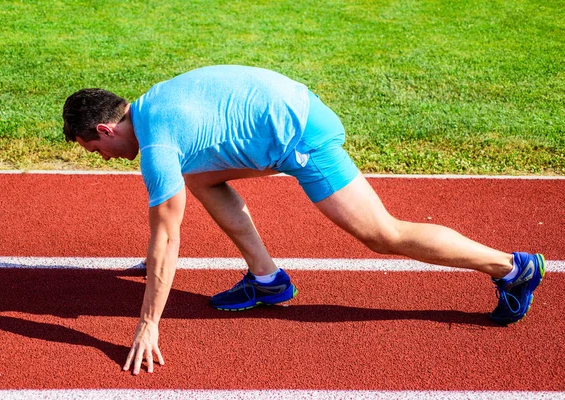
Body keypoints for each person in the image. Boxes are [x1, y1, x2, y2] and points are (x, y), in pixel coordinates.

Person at [62, 65, 545, 375]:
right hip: (283, 114)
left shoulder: (158, 146)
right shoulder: (152, 105)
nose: (103, 157)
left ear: (104, 129)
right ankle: (268, 279)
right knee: (202, 177)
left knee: (382, 233)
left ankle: (511, 267)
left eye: (94, 149)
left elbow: (166, 238)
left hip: (302, 136)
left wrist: (148, 323)